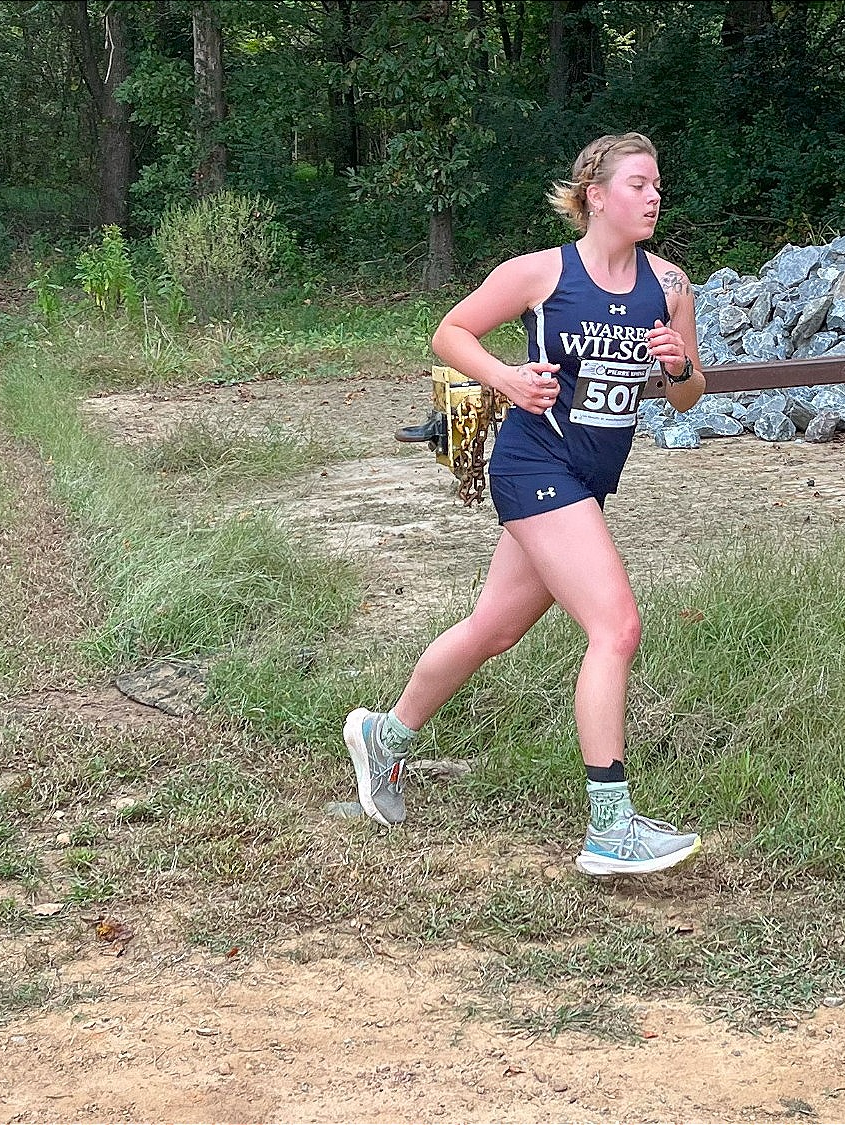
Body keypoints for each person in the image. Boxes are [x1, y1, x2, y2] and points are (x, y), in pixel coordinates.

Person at [342, 133, 709, 877]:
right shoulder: (541, 273)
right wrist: (507, 379)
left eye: (657, 184)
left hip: (588, 480)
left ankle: (385, 736)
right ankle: (611, 828)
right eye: (638, 184)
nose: (654, 196)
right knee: (616, 626)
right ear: (596, 197)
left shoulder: (670, 285)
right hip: (534, 465)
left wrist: (678, 368)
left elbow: (690, 394)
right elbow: (450, 332)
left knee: (493, 629)